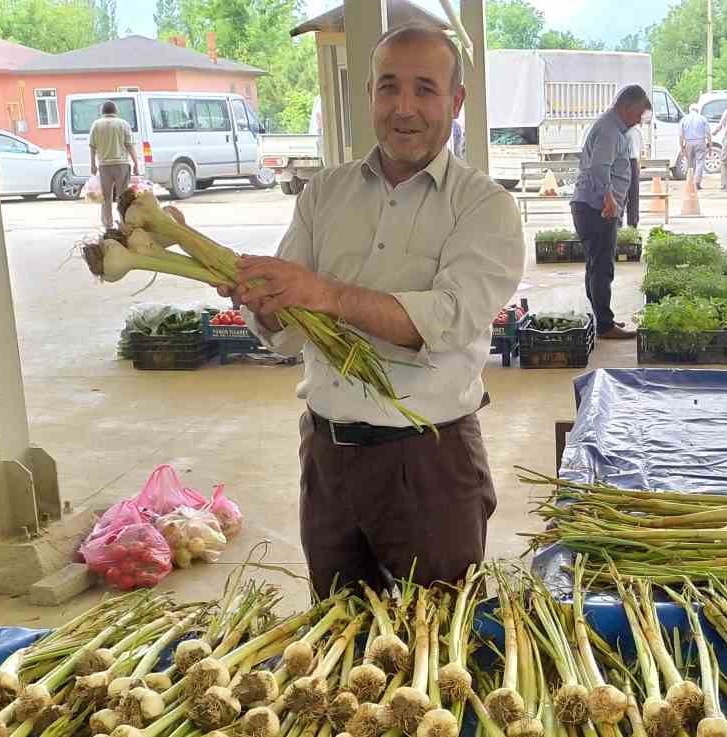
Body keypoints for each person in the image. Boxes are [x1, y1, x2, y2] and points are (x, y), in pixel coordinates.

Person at [225, 24, 525, 597]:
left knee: (441, 651)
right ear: (369, 95)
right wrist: (265, 305)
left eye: (425, 89)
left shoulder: (485, 207)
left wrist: (325, 293)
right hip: (327, 460)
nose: (404, 108)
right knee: (341, 647)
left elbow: (448, 318)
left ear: (456, 101)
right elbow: (285, 336)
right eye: (388, 88)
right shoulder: (323, 194)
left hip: (428, 464)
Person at [572, 84, 650, 340]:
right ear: (626, 107)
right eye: (638, 113)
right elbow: (598, 167)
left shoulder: (616, 128)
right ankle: (605, 325)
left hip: (594, 207)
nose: (639, 120)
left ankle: (601, 318)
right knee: (602, 267)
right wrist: (609, 198)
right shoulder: (609, 130)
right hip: (597, 208)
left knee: (596, 265)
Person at [88, 100, 139, 229]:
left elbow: (92, 147)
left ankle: (108, 226)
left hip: (104, 166)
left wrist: (93, 165)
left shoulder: (96, 125)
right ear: (116, 111)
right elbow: (129, 146)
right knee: (122, 197)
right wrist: (136, 163)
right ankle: (123, 223)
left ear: (102, 112)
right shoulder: (123, 124)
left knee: (106, 198)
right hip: (121, 165)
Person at [680, 103, 711, 190]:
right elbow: (708, 133)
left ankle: (690, 182)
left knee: (690, 163)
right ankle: (697, 182)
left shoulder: (684, 119)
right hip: (700, 142)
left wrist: (681, 147)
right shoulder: (703, 119)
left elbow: (681, 135)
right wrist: (710, 146)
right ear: (697, 110)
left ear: (690, 110)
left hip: (688, 143)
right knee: (700, 162)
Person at [625, 124, 643, 228]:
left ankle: (620, 224)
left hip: (627, 161)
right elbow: (640, 150)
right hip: (633, 162)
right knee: (633, 195)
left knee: (623, 195)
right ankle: (633, 223)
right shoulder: (637, 129)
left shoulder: (624, 128)